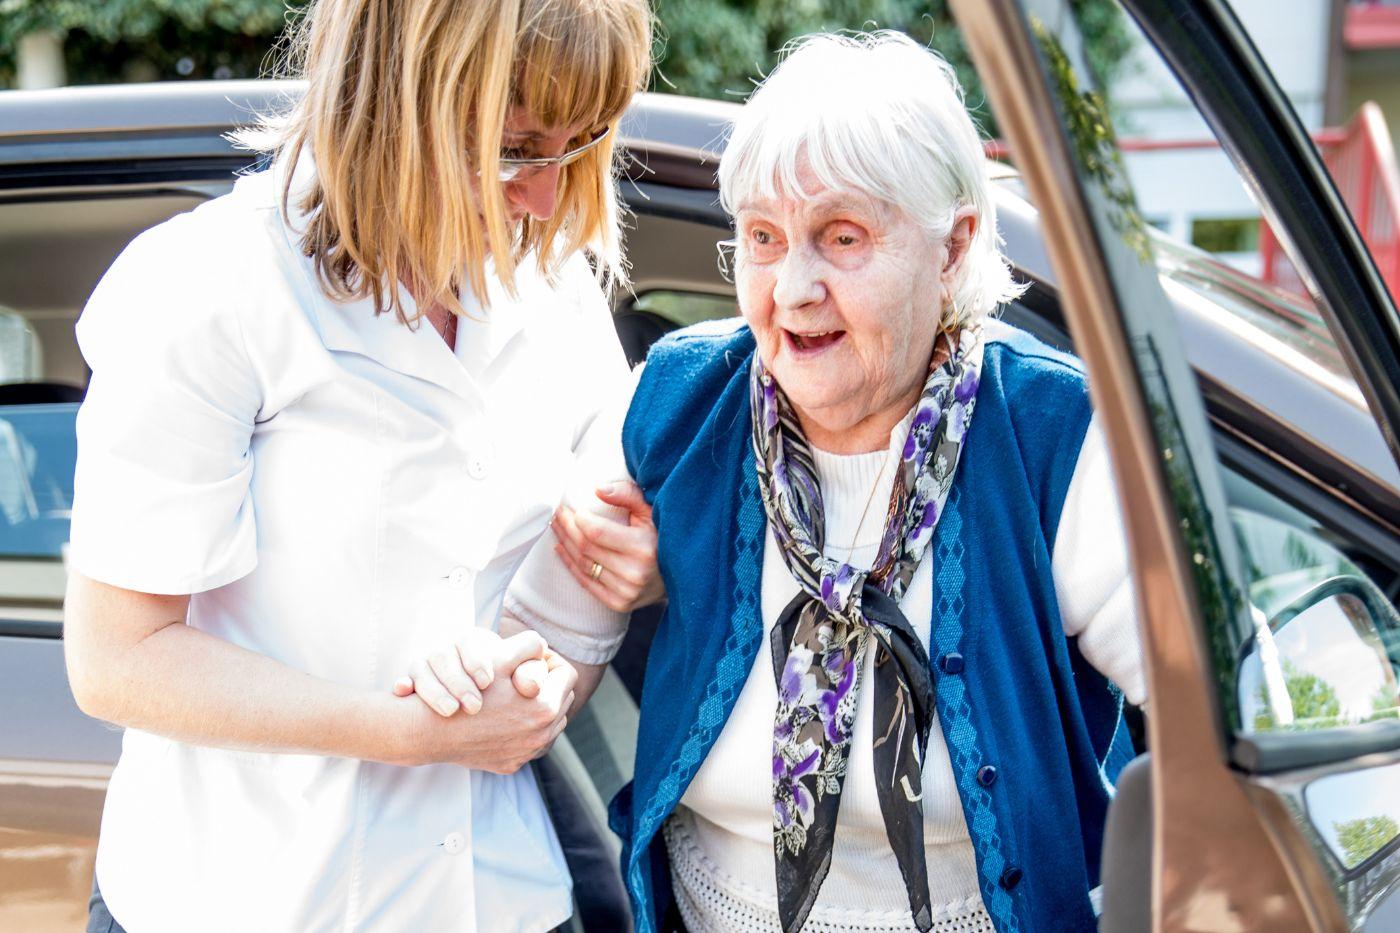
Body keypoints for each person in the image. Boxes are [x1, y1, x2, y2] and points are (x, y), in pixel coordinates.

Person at [416, 29, 1149, 933]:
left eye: (842, 237)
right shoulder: (678, 405)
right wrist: (480, 670)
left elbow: (1209, 721)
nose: (792, 287)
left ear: (952, 247)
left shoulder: (1047, 433)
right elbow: (543, 662)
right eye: (763, 237)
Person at [61, 1, 654, 930]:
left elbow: (568, 604)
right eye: (516, 147)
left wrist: (573, 645)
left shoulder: (556, 291)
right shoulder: (210, 286)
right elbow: (116, 660)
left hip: (496, 897)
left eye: (576, 147)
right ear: (397, 100)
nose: (545, 197)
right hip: (242, 903)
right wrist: (405, 734)